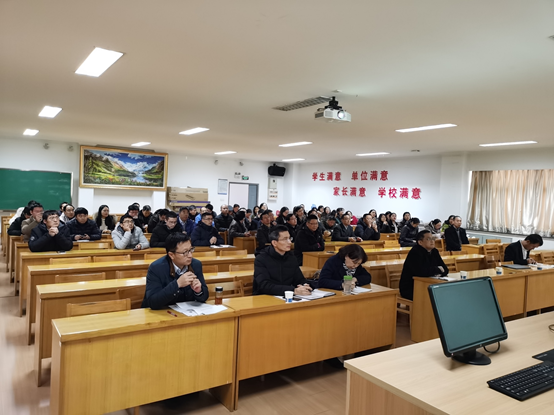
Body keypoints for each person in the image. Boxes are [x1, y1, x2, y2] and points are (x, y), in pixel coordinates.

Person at [142, 233, 209, 309]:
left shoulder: (195, 264)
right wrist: (177, 284)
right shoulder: (156, 268)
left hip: (186, 311)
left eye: (191, 250)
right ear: (171, 255)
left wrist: (198, 291)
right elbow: (152, 302)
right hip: (162, 312)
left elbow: (204, 296)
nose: (190, 255)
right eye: (185, 252)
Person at [253, 226, 312, 296]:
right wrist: (293, 290)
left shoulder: (291, 257)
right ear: (274, 243)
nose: (289, 242)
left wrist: (304, 285)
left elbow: (299, 279)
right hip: (265, 297)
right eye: (285, 239)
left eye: (289, 238)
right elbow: (264, 286)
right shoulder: (261, 259)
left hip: (286, 296)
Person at [399, 230, 448, 300]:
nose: (432, 241)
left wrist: (436, 271)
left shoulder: (434, 251)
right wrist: (438, 269)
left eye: (433, 238)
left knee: (445, 293)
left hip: (429, 284)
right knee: (434, 297)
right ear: (420, 242)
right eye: (428, 239)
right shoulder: (415, 252)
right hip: (411, 287)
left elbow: (445, 269)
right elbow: (421, 272)